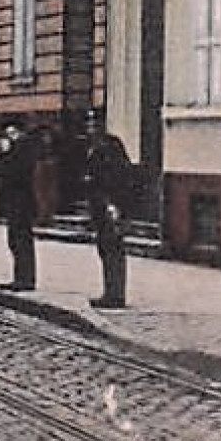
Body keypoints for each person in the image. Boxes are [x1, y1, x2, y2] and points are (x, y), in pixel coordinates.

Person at [84, 111, 132, 309]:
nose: (91, 126)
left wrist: (114, 204)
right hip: (99, 206)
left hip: (110, 205)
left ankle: (116, 296)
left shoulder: (111, 146)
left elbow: (118, 177)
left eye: (95, 122)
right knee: (105, 249)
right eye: (89, 122)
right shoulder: (93, 146)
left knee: (113, 250)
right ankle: (110, 292)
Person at [0, 121, 40, 293]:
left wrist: (5, 154)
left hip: (22, 202)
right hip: (15, 202)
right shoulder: (18, 149)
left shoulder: (23, 149)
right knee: (15, 241)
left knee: (21, 241)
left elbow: (14, 173)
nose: (9, 137)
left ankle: (25, 280)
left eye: (12, 133)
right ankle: (20, 278)